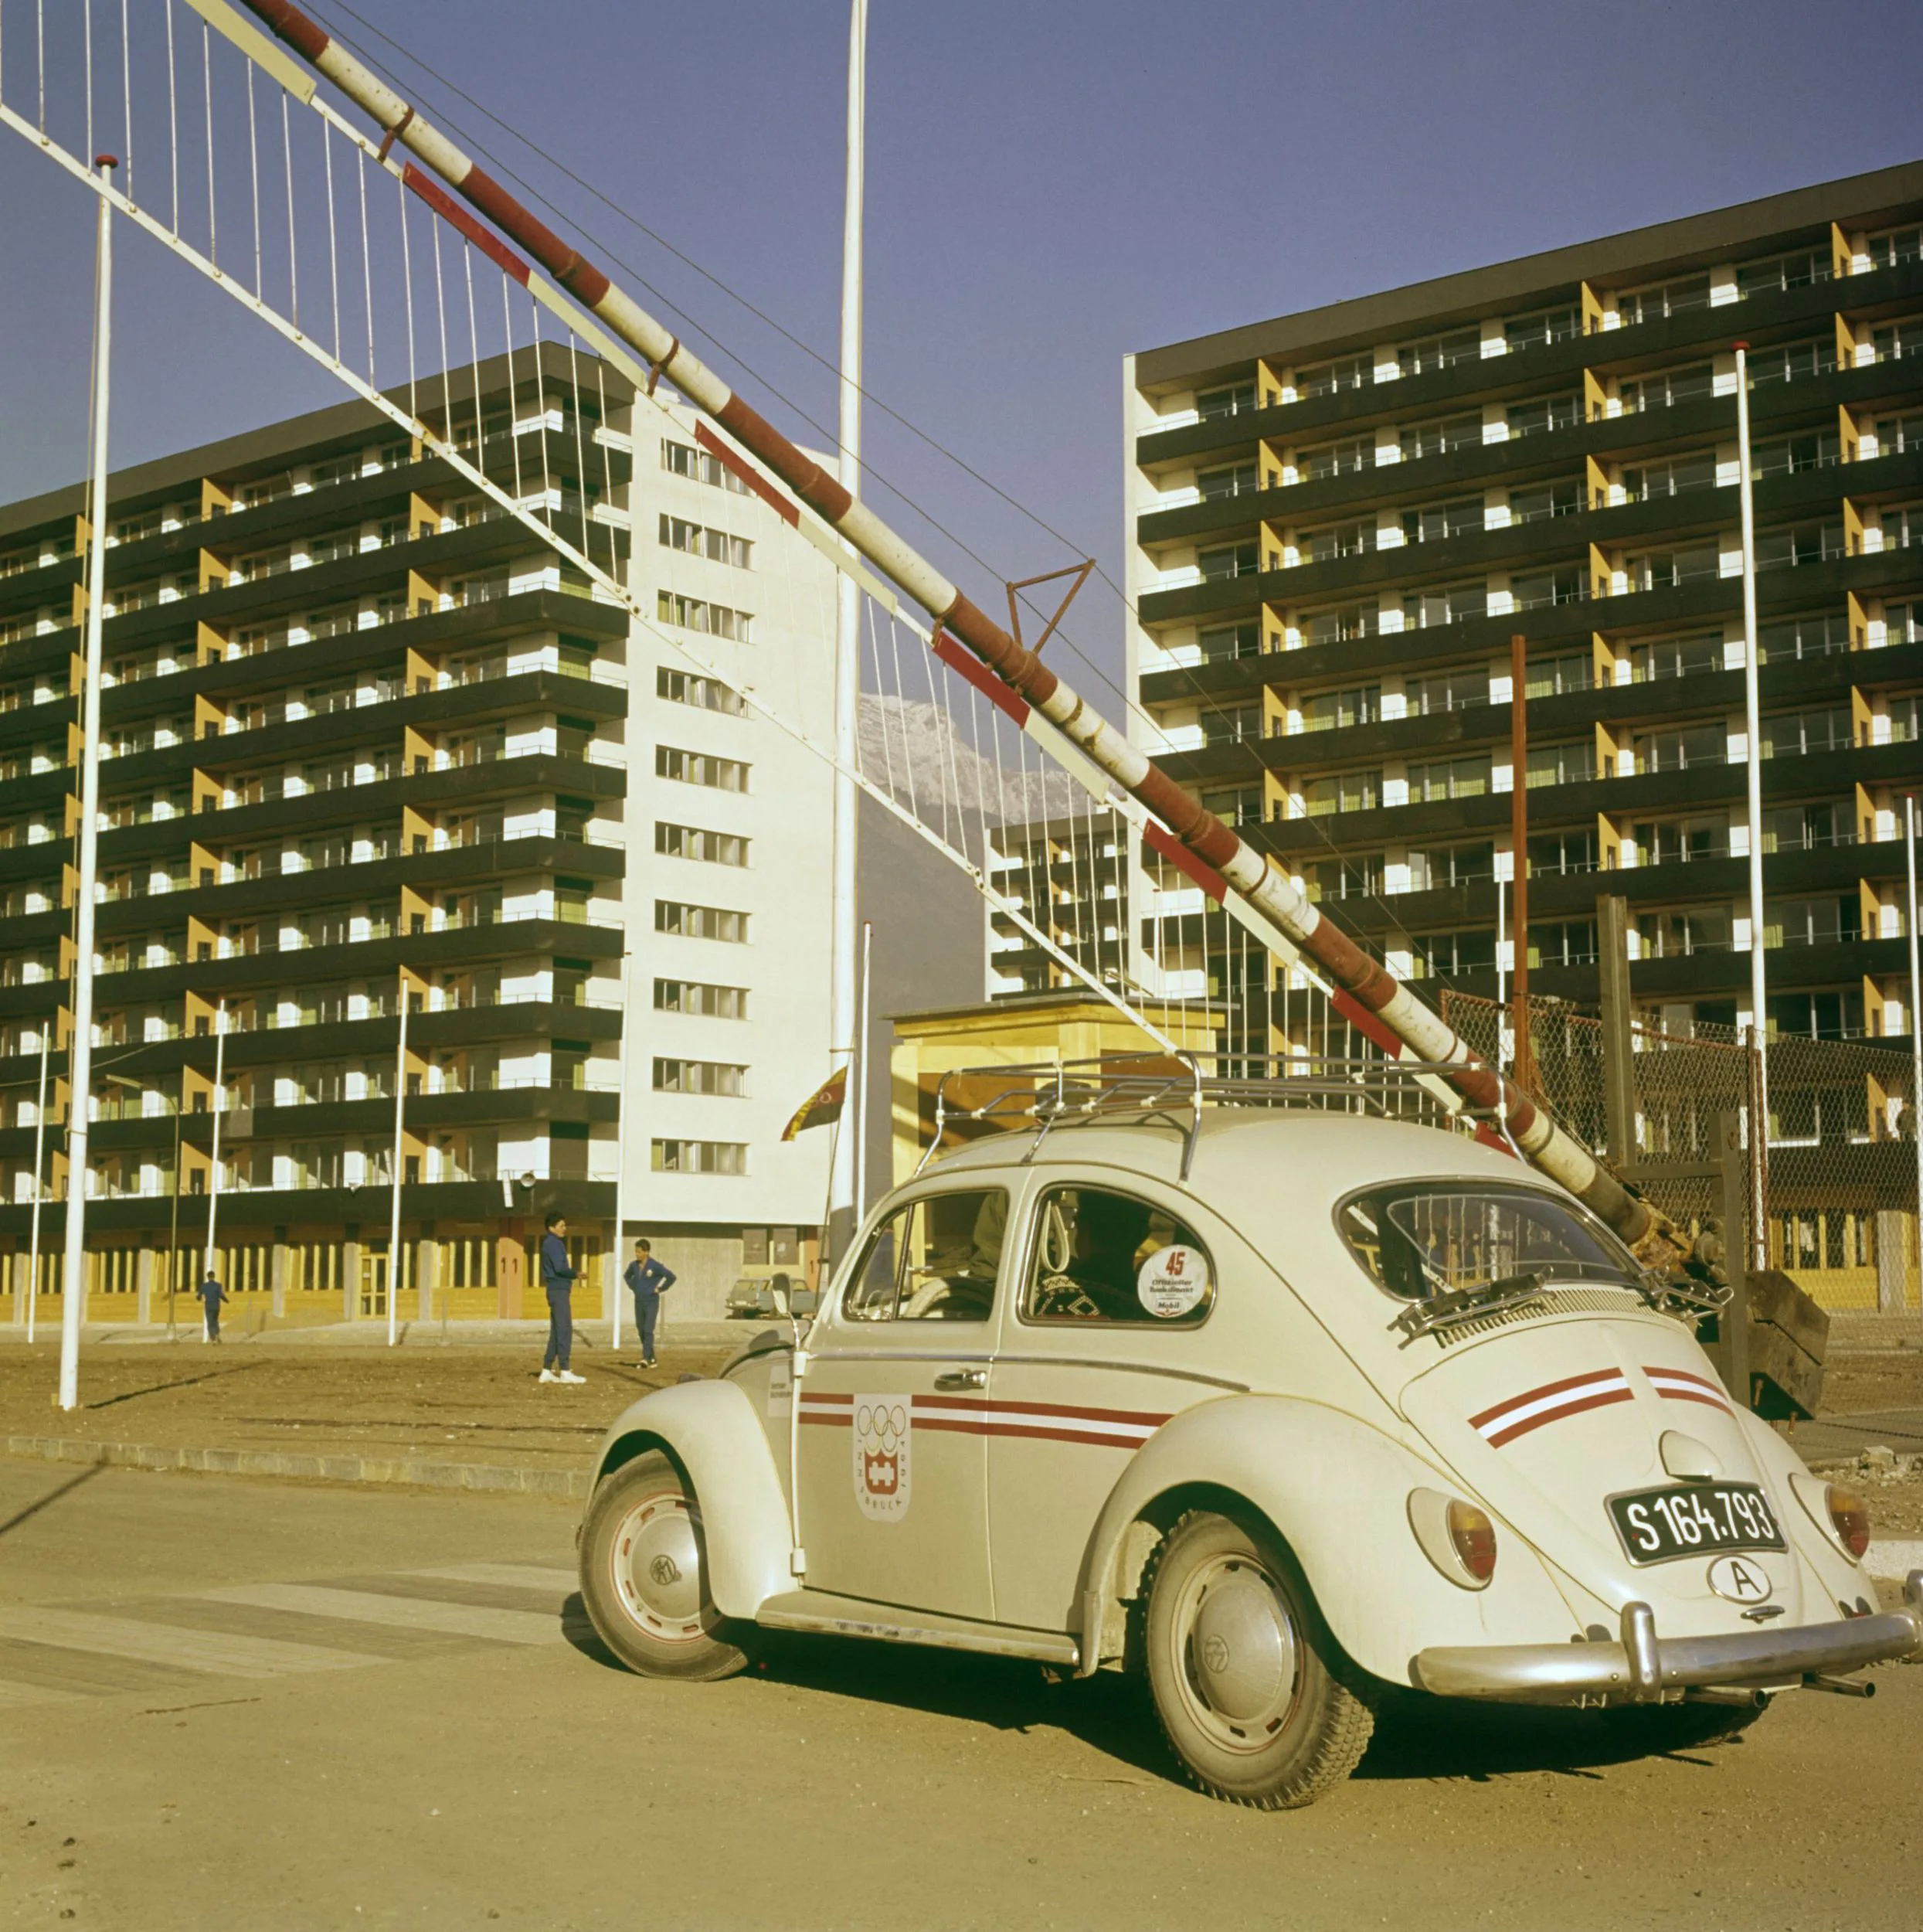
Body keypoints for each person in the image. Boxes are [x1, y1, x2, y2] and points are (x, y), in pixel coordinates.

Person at [538, 1213, 584, 1384]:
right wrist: (575, 1273)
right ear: (552, 1227)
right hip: (558, 1289)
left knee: (557, 1331)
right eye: (561, 1226)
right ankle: (565, 1370)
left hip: (555, 1289)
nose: (565, 1229)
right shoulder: (554, 1244)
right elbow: (559, 1268)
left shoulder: (550, 1243)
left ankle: (547, 1369)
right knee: (564, 1329)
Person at [623, 1237, 675, 1368]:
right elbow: (627, 1276)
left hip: (651, 1301)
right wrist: (634, 1286)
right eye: (636, 1252)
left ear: (646, 1252)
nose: (637, 1254)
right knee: (641, 1329)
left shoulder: (655, 1266)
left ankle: (645, 1358)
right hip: (639, 1301)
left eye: (639, 1252)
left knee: (648, 1329)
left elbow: (671, 1277)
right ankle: (652, 1358)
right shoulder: (634, 1265)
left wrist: (660, 1288)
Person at [199, 1268, 228, 1344]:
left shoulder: (204, 1286)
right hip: (216, 1306)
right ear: (214, 1277)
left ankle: (213, 1338)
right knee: (215, 1320)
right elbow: (221, 1295)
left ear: (208, 1277)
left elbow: (199, 1296)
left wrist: (198, 1299)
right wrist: (226, 1300)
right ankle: (217, 1334)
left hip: (208, 1306)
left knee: (210, 1322)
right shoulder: (218, 1285)